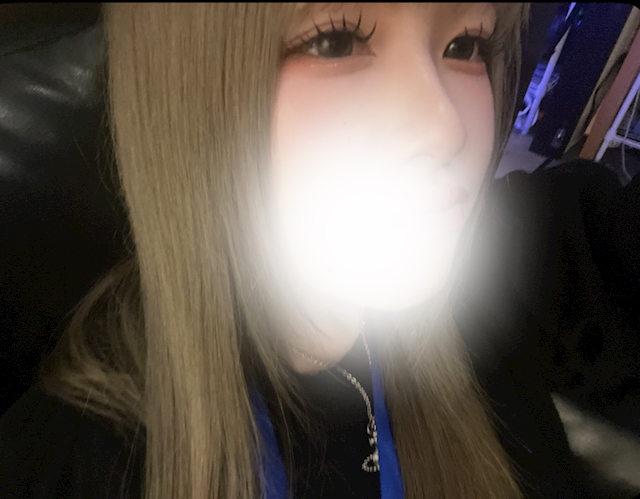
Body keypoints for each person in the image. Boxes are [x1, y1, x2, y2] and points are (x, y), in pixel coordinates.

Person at [0, 3, 589, 499]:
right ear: (188, 90)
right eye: (335, 42)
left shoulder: (494, 325)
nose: (445, 127)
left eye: (466, 45)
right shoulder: (79, 457)